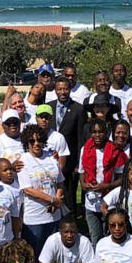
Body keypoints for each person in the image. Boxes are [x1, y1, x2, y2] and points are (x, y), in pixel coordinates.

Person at [79, 118, 128, 245]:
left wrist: (107, 186)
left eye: (100, 132)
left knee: (111, 238)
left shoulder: (115, 151)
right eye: (94, 132)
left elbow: (122, 179)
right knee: (95, 238)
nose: (97, 135)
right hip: (91, 202)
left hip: (109, 203)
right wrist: (84, 184)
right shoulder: (85, 149)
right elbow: (81, 171)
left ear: (106, 133)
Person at [17, 124, 65, 254]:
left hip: (54, 215)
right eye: (32, 141)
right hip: (34, 218)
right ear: (27, 142)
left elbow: (60, 182)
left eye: (39, 140)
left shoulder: (51, 157)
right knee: (35, 254)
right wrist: (52, 200)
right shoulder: (23, 161)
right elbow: (28, 189)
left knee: (53, 253)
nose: (36, 143)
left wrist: (57, 201)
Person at [52, 76, 86, 219]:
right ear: (55, 90)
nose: (63, 92)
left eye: (65, 89)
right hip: (51, 159)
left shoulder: (78, 109)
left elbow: (80, 138)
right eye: (59, 89)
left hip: (70, 162)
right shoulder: (49, 106)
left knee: (69, 194)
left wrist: (78, 164)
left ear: (70, 89)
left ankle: (70, 221)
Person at [34, 104, 70, 172]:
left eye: (47, 117)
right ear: (36, 118)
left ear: (51, 118)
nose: (44, 119)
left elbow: (61, 165)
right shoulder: (30, 136)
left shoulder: (59, 138)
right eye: (41, 116)